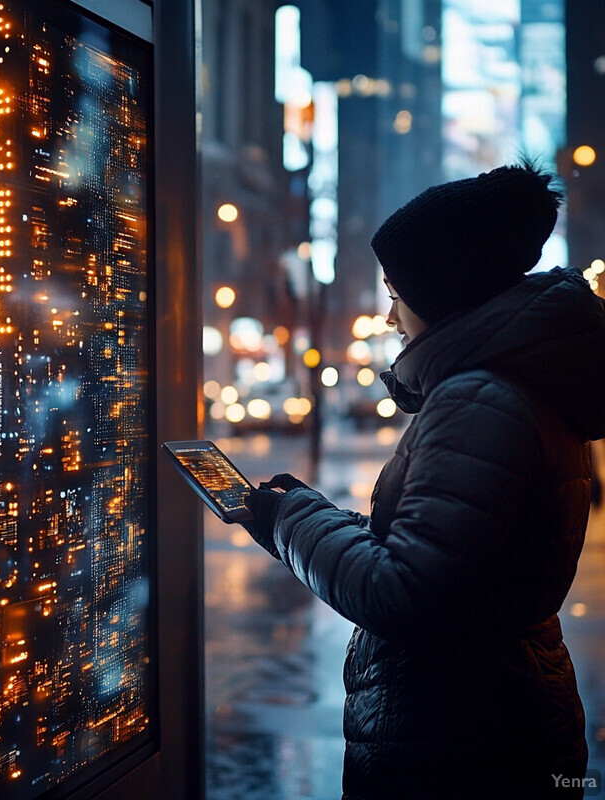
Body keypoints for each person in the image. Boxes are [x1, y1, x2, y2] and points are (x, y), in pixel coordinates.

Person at [244, 160, 605, 799]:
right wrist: (309, 510)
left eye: (394, 292)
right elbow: (445, 557)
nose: (389, 316)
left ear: (439, 293)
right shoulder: (507, 389)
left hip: (459, 739)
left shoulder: (479, 401)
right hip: (496, 718)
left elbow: (405, 593)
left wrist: (288, 524)